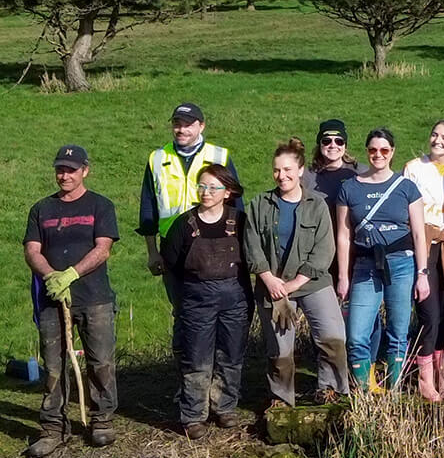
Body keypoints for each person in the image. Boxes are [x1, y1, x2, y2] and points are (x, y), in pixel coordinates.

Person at [22, 144, 120, 458]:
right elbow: (32, 250)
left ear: (84, 171)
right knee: (53, 365)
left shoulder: (100, 206)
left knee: (100, 361)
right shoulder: (41, 209)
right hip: (53, 299)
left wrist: (71, 275)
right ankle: (53, 427)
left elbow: (103, 248)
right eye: (60, 169)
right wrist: (52, 277)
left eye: (71, 170)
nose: (64, 175)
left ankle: (101, 420)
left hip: (94, 297)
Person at [245, 139, 346, 409]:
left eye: (288, 169)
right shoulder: (259, 204)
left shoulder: (317, 204)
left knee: (333, 337)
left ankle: (330, 390)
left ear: (301, 170)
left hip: (311, 282)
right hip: (274, 285)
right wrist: (268, 279)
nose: (282, 176)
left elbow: (325, 249)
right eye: (277, 170)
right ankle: (281, 398)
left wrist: (296, 283)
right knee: (279, 349)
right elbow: (252, 245)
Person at [336, 128, 432, 391]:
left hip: (401, 265)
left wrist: (422, 274)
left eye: (384, 150)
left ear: (392, 153)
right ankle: (365, 392)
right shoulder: (349, 189)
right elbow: (343, 237)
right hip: (365, 268)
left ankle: (393, 392)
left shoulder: (407, 188)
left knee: (398, 334)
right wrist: (344, 277)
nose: (378, 155)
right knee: (356, 336)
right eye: (373, 150)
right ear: (367, 152)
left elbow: (418, 234)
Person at [160, 163, 250, 438]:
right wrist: (184, 299)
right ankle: (193, 415)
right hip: (196, 299)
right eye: (202, 186)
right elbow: (171, 264)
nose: (206, 192)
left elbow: (251, 261)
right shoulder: (184, 225)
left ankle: (224, 407)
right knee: (197, 358)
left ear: (228, 192)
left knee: (231, 355)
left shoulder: (241, 222)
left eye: (213, 187)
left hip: (235, 297)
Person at [140, 102, 232, 355]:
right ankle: (187, 373)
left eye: (187, 125)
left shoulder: (219, 156)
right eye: (177, 124)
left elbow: (236, 206)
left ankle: (215, 366)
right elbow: (148, 209)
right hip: (174, 249)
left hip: (213, 247)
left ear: (201, 126)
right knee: (183, 312)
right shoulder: (157, 158)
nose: (181, 130)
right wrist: (152, 252)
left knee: (215, 310)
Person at [403, 119, 444, 402]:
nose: (437, 140)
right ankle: (424, 377)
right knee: (429, 313)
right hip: (424, 242)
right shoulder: (414, 168)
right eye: (434, 134)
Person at [301, 118, 358, 203]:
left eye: (339, 141)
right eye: (326, 141)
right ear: (319, 145)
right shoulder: (306, 176)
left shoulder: (359, 173)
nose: (332, 145)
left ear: (345, 146)